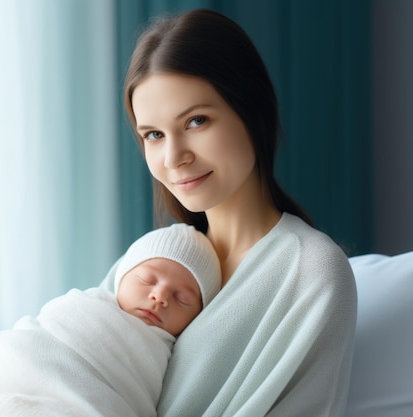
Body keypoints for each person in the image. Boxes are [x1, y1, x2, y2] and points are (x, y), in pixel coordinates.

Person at [98, 7, 357, 417]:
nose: (174, 156)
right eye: (154, 135)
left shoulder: (311, 271)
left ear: (251, 110)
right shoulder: (153, 257)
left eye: (197, 121)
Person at [0, 223, 221, 417]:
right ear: (122, 276)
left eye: (182, 297)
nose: (160, 297)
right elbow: (35, 340)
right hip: (11, 379)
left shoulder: (167, 353)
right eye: (147, 279)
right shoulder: (86, 304)